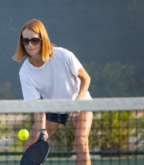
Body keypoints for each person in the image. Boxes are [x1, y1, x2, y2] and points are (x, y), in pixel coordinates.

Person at [13, 19, 93, 165]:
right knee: (31, 147)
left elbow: (86, 78)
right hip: (54, 107)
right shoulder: (25, 71)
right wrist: (42, 130)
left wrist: (78, 102)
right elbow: (38, 107)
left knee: (81, 142)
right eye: (25, 40)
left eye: (34, 40)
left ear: (42, 39)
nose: (30, 44)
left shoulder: (63, 55)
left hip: (80, 101)